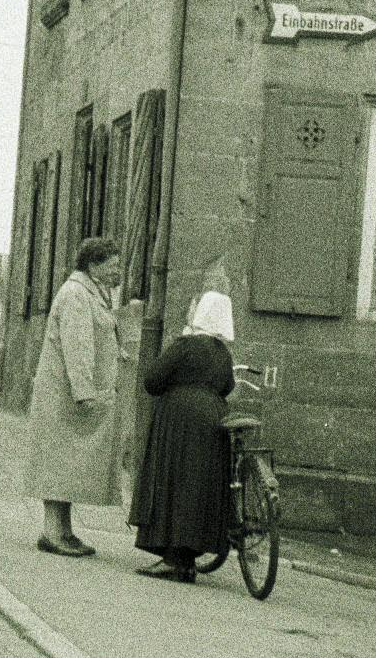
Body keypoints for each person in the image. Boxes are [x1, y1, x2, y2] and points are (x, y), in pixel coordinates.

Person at [130, 277, 241, 583]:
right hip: (213, 420)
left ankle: (173, 560)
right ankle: (187, 561)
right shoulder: (222, 353)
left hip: (180, 421)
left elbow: (152, 380)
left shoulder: (185, 346)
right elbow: (228, 386)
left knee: (174, 484)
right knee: (198, 488)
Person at [24, 236, 127, 556]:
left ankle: (64, 532)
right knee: (59, 465)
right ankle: (52, 534)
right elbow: (77, 346)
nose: (119, 271)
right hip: (65, 397)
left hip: (70, 396)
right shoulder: (76, 295)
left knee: (68, 467)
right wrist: (85, 393)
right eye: (113, 265)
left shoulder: (92, 293)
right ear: (94, 266)